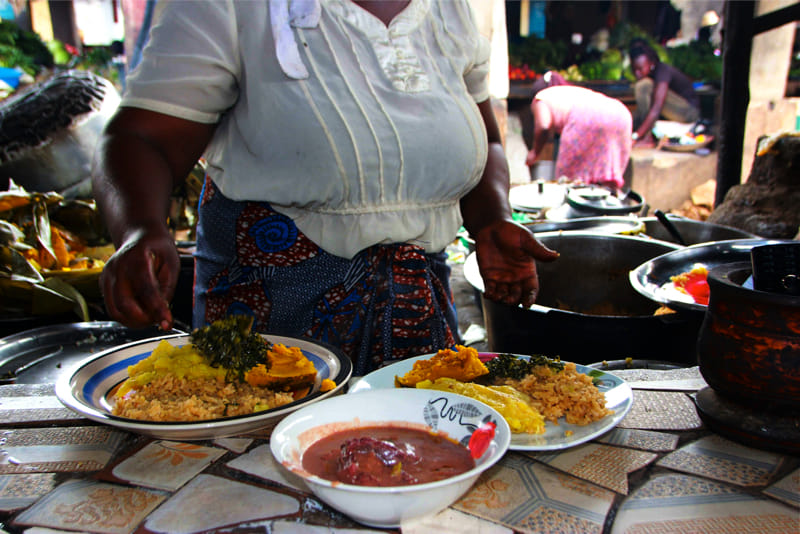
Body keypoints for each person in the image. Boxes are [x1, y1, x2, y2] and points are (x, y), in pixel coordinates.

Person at [91, 0, 559, 375]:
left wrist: (491, 219)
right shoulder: (236, 8)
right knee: (260, 466)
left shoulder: (451, 9)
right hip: (272, 337)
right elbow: (141, 138)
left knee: (417, 456)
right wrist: (139, 229)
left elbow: (486, 139)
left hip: (418, 330)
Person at [524, 71, 632, 191]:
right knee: (606, 179)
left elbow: (543, 126)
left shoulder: (541, 97)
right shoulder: (571, 92)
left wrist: (535, 153)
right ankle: (612, 199)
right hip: (621, 114)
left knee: (569, 184)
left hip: (586, 117)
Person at [629, 39, 700, 147]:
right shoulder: (651, 76)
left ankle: (647, 138)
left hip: (689, 112)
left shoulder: (663, 71)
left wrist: (637, 136)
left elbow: (656, 108)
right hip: (675, 113)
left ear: (651, 63)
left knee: (643, 86)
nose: (637, 73)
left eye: (640, 69)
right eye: (635, 70)